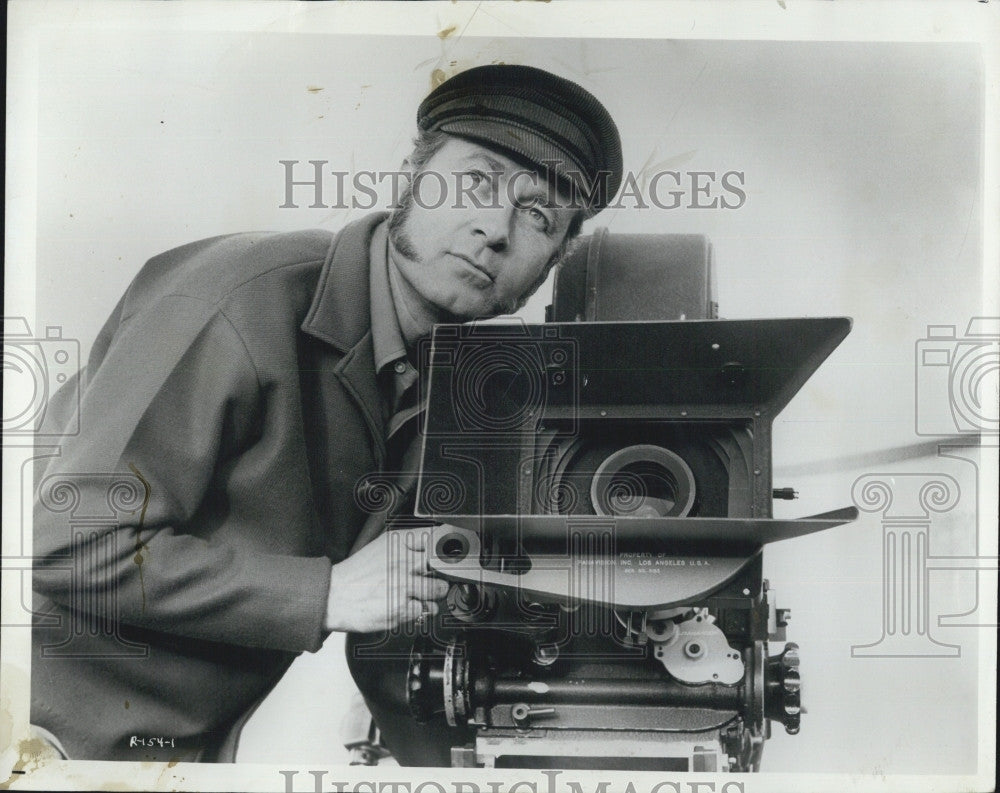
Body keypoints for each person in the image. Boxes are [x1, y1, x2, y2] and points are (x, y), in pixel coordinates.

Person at [30, 64, 623, 762]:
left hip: (176, 755)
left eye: (537, 216)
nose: (494, 229)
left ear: (557, 259)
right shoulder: (235, 300)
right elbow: (65, 544)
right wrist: (329, 591)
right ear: (412, 174)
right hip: (37, 730)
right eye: (475, 183)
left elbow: (403, 623)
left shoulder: (465, 385)